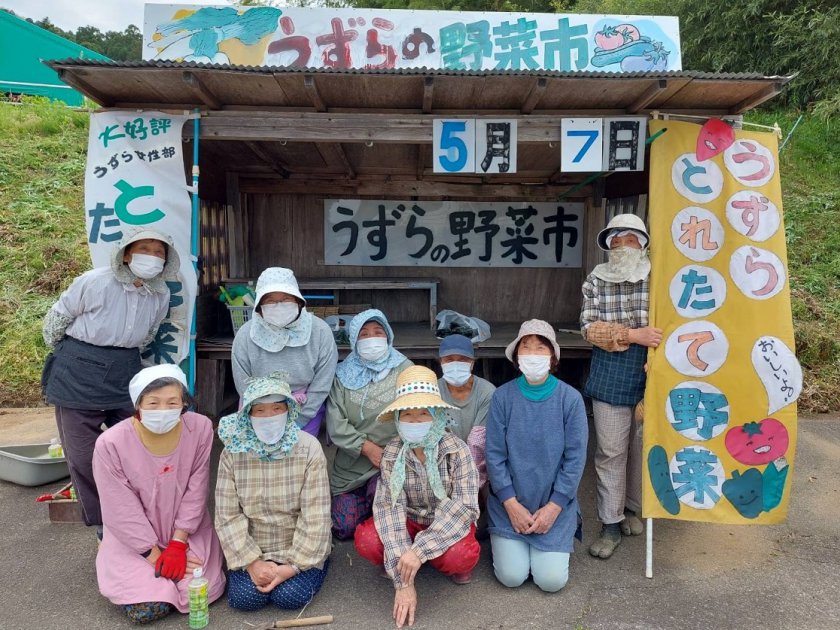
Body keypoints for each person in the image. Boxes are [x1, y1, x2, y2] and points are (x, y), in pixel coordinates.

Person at [42, 228, 177, 534]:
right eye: (145, 248)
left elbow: (149, 334)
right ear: (127, 253)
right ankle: (106, 524)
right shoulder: (95, 281)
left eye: (159, 252)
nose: (152, 256)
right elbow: (56, 320)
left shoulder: (161, 293)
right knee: (82, 454)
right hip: (77, 370)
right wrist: (69, 357)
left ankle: (139, 513)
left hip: (125, 368)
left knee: (136, 443)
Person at [92, 364, 226, 624]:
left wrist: (178, 544)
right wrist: (152, 554)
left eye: (172, 402)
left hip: (186, 532)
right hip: (134, 540)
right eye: (153, 403)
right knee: (150, 606)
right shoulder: (111, 444)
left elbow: (197, 488)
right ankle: (110, 555)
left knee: (195, 594)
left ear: (184, 403)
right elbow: (120, 507)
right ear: (138, 404)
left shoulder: (199, 428)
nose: (163, 410)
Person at [355, 366, 480, 629]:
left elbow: (464, 508)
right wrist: (404, 583)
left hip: (446, 522)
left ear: (436, 416)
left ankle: (415, 560)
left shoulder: (457, 450)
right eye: (408, 415)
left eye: (423, 413)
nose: (415, 421)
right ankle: (402, 563)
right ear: (398, 419)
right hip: (409, 521)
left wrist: (418, 551)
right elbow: (389, 509)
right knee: (367, 539)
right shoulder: (392, 453)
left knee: (461, 556)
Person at [580, 214, 661, 559]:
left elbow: (676, 321)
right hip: (610, 369)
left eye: (629, 239)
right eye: (615, 240)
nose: (621, 245)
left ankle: (633, 508)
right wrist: (630, 335)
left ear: (641, 243)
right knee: (611, 449)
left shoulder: (660, 277)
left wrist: (659, 353)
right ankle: (610, 522)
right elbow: (587, 328)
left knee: (643, 446)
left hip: (653, 370)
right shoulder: (596, 279)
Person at [486, 319, 588, 593]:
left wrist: (554, 507)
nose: (532, 355)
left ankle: (552, 539)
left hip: (554, 505)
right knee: (512, 577)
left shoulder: (571, 399)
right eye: (526, 348)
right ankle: (509, 540)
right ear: (516, 355)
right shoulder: (502, 397)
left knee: (551, 581)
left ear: (553, 356)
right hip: (510, 505)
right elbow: (494, 455)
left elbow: (575, 459)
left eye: (540, 348)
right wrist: (511, 504)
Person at [215, 373, 331, 612]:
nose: (269, 417)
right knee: (246, 599)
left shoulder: (308, 448)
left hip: (296, 545)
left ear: (289, 410)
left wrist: (291, 566)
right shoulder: (232, 452)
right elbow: (227, 515)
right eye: (260, 410)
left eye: (277, 408)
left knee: (289, 597)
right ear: (247, 414)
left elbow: (315, 514)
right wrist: (253, 563)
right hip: (253, 547)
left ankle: (320, 559)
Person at [326, 309, 412, 540]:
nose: (371, 338)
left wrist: (391, 453)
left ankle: (382, 518)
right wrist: (366, 447)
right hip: (351, 466)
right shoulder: (342, 374)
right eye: (364, 334)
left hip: (393, 461)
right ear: (354, 340)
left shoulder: (406, 369)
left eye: (377, 331)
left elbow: (417, 415)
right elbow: (336, 423)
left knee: (383, 506)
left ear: (388, 336)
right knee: (343, 527)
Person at [231, 267, 338, 436]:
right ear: (259, 306)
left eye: (286, 299)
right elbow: (242, 381)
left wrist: (301, 417)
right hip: (258, 408)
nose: (279, 306)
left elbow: (323, 381)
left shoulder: (319, 331)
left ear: (298, 301)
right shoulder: (246, 334)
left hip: (306, 406)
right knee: (260, 459)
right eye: (270, 301)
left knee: (303, 457)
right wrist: (262, 412)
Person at [436, 334, 496, 488]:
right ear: (440, 362)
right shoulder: (433, 391)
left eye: (462, 359)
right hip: (441, 466)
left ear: (472, 363)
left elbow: (478, 443)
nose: (456, 364)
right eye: (449, 359)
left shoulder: (486, 391)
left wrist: (467, 484)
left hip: (478, 468)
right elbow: (433, 439)